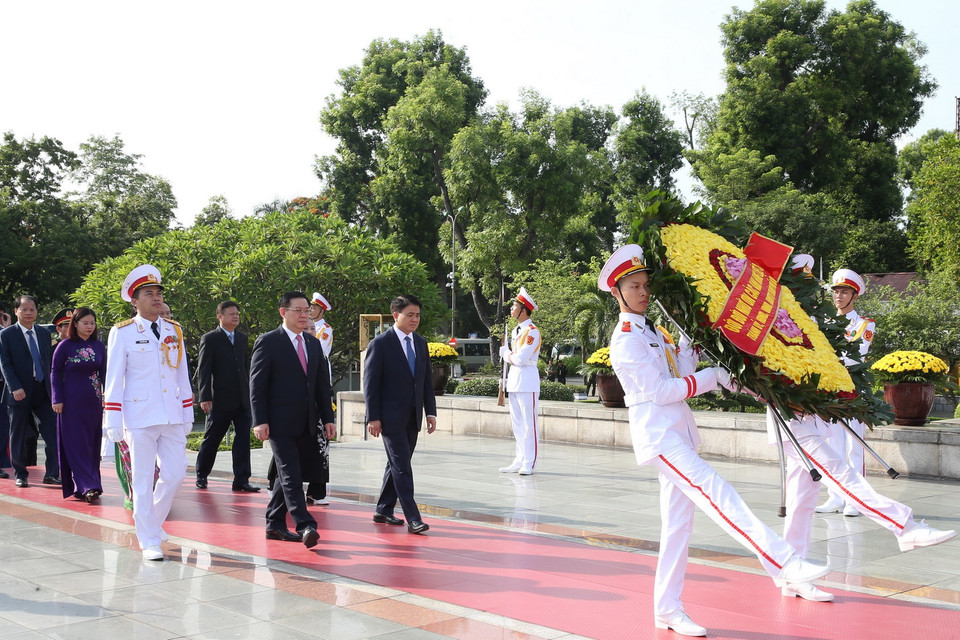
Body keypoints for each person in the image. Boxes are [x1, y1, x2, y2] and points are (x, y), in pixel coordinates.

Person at [598, 244, 831, 638]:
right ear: (617, 292)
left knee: (678, 528)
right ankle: (785, 562)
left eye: (645, 284)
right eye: (634, 286)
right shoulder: (625, 340)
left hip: (678, 434)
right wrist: (711, 377)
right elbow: (660, 391)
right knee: (717, 492)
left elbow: (679, 371)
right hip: (660, 437)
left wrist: (692, 344)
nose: (643, 292)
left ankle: (667, 610)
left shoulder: (654, 330)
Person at [763, 261, 956, 603]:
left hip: (817, 413)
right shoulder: (784, 322)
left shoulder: (815, 323)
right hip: (794, 420)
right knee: (840, 473)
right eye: (804, 285)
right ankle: (904, 527)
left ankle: (791, 575)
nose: (827, 295)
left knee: (801, 501)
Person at [103, 265, 195, 561]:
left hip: (171, 414)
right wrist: (112, 418)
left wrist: (187, 411)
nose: (156, 298)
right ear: (134, 301)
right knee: (142, 480)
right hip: (140, 415)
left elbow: (182, 374)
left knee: (175, 473)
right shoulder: (123, 332)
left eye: (158, 293)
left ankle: (152, 522)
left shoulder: (174, 330)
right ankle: (149, 540)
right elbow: (114, 378)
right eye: (149, 294)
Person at [250, 292, 336, 549]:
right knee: (291, 473)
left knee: (284, 475)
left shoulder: (312, 343)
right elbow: (257, 386)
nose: (304, 315)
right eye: (298, 310)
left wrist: (328, 418)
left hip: (307, 421)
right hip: (279, 423)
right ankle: (305, 524)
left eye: (306, 311)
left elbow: (321, 386)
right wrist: (259, 420)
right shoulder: (268, 342)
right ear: (283, 312)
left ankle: (274, 523)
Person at [363, 294, 437, 534]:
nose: (415, 319)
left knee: (397, 463)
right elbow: (370, 384)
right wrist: (373, 417)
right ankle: (413, 517)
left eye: (418, 315)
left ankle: (383, 509)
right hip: (389, 417)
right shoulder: (381, 344)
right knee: (402, 465)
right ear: (396, 315)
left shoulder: (421, 343)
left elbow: (425, 381)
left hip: (413, 415)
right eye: (410, 315)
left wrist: (431, 412)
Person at [815, 269, 874, 517]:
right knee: (834, 445)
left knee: (853, 446)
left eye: (844, 292)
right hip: (831, 389)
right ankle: (836, 496)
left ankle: (856, 499)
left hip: (853, 389)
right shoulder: (824, 323)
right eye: (836, 291)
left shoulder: (864, 324)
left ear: (854, 296)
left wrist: (828, 359)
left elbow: (856, 355)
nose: (838, 296)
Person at [195, 301, 259, 492]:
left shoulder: (242, 338)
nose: (235, 317)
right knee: (212, 439)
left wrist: (251, 394)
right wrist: (204, 396)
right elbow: (204, 370)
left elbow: (246, 369)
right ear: (220, 317)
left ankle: (241, 479)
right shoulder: (210, 339)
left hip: (242, 399)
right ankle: (201, 475)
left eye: (237, 313)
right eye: (231, 314)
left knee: (243, 440)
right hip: (219, 399)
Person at [0, 295, 61, 487]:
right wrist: (14, 387)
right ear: (16, 311)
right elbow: (5, 364)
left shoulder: (43, 334)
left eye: (32, 309)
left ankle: (52, 473)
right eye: (24, 309)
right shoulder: (6, 334)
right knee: (18, 434)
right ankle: (20, 474)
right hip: (19, 391)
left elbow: (47, 362)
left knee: (52, 432)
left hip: (42, 390)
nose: (28, 312)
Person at [51, 307, 106, 502]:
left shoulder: (99, 346)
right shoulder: (65, 346)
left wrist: (108, 396)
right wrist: (56, 398)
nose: (89, 326)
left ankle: (89, 484)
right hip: (71, 402)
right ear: (75, 324)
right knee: (76, 443)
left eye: (92, 323)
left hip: (94, 401)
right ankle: (88, 486)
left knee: (91, 443)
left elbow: (105, 373)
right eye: (85, 323)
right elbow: (55, 372)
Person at [498, 287, 541, 476]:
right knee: (517, 424)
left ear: (523, 310)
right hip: (515, 381)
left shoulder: (532, 332)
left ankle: (529, 462)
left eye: (514, 306)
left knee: (529, 424)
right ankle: (519, 459)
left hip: (527, 381)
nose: (511, 309)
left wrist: (506, 354)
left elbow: (521, 359)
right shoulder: (517, 331)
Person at [306, 291, 333, 505]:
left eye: (314, 308)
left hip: (318, 383)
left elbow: (318, 351)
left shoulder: (325, 330)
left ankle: (317, 489)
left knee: (321, 440)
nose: (310, 311)